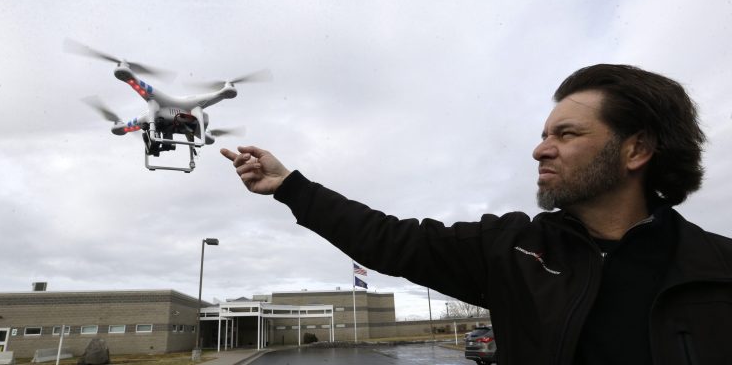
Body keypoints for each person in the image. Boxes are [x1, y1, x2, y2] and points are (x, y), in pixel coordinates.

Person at [220, 64, 732, 365]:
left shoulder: (717, 268)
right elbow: (389, 240)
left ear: (636, 150)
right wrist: (290, 187)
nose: (539, 150)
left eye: (566, 134)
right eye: (543, 133)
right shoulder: (512, 250)